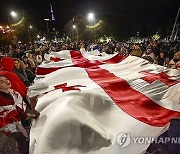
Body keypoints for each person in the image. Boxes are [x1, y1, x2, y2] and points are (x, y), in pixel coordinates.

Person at [0, 75, 38, 154]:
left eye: (6, 79)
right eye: (1, 82)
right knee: (21, 140)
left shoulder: (13, 93)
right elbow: (8, 114)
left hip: (18, 122)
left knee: (23, 138)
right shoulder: (2, 100)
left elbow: (18, 109)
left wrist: (28, 115)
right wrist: (29, 115)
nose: (7, 82)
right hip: (8, 126)